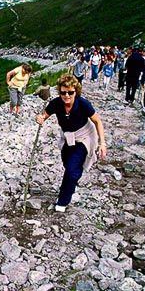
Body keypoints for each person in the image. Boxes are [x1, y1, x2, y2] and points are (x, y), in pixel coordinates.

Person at [36, 74, 107, 213]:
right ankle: (72, 180)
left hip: (84, 136)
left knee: (71, 168)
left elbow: (98, 121)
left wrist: (102, 143)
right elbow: (44, 115)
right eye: (63, 92)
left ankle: (63, 200)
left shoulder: (83, 104)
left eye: (70, 92)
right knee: (68, 164)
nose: (66, 95)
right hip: (67, 137)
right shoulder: (56, 103)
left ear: (76, 91)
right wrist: (40, 118)